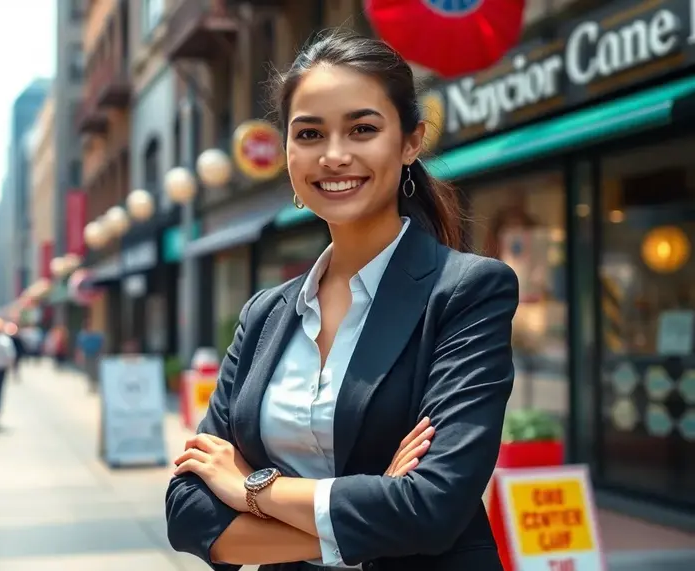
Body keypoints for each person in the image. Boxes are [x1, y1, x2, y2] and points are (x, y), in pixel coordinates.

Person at [165, 31, 518, 571]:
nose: (334, 155)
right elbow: (189, 512)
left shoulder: (467, 291)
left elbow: (433, 507)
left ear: (410, 142)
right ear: (286, 151)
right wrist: (371, 515)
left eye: (362, 129)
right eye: (308, 133)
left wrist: (254, 490)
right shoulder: (264, 315)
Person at [75, 317, 104, 392]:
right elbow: (80, 347)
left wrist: (101, 353)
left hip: (95, 355)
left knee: (94, 371)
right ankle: (91, 386)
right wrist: (80, 356)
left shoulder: (96, 335)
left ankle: (94, 385)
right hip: (87, 356)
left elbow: (101, 343)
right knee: (88, 371)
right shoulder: (82, 336)